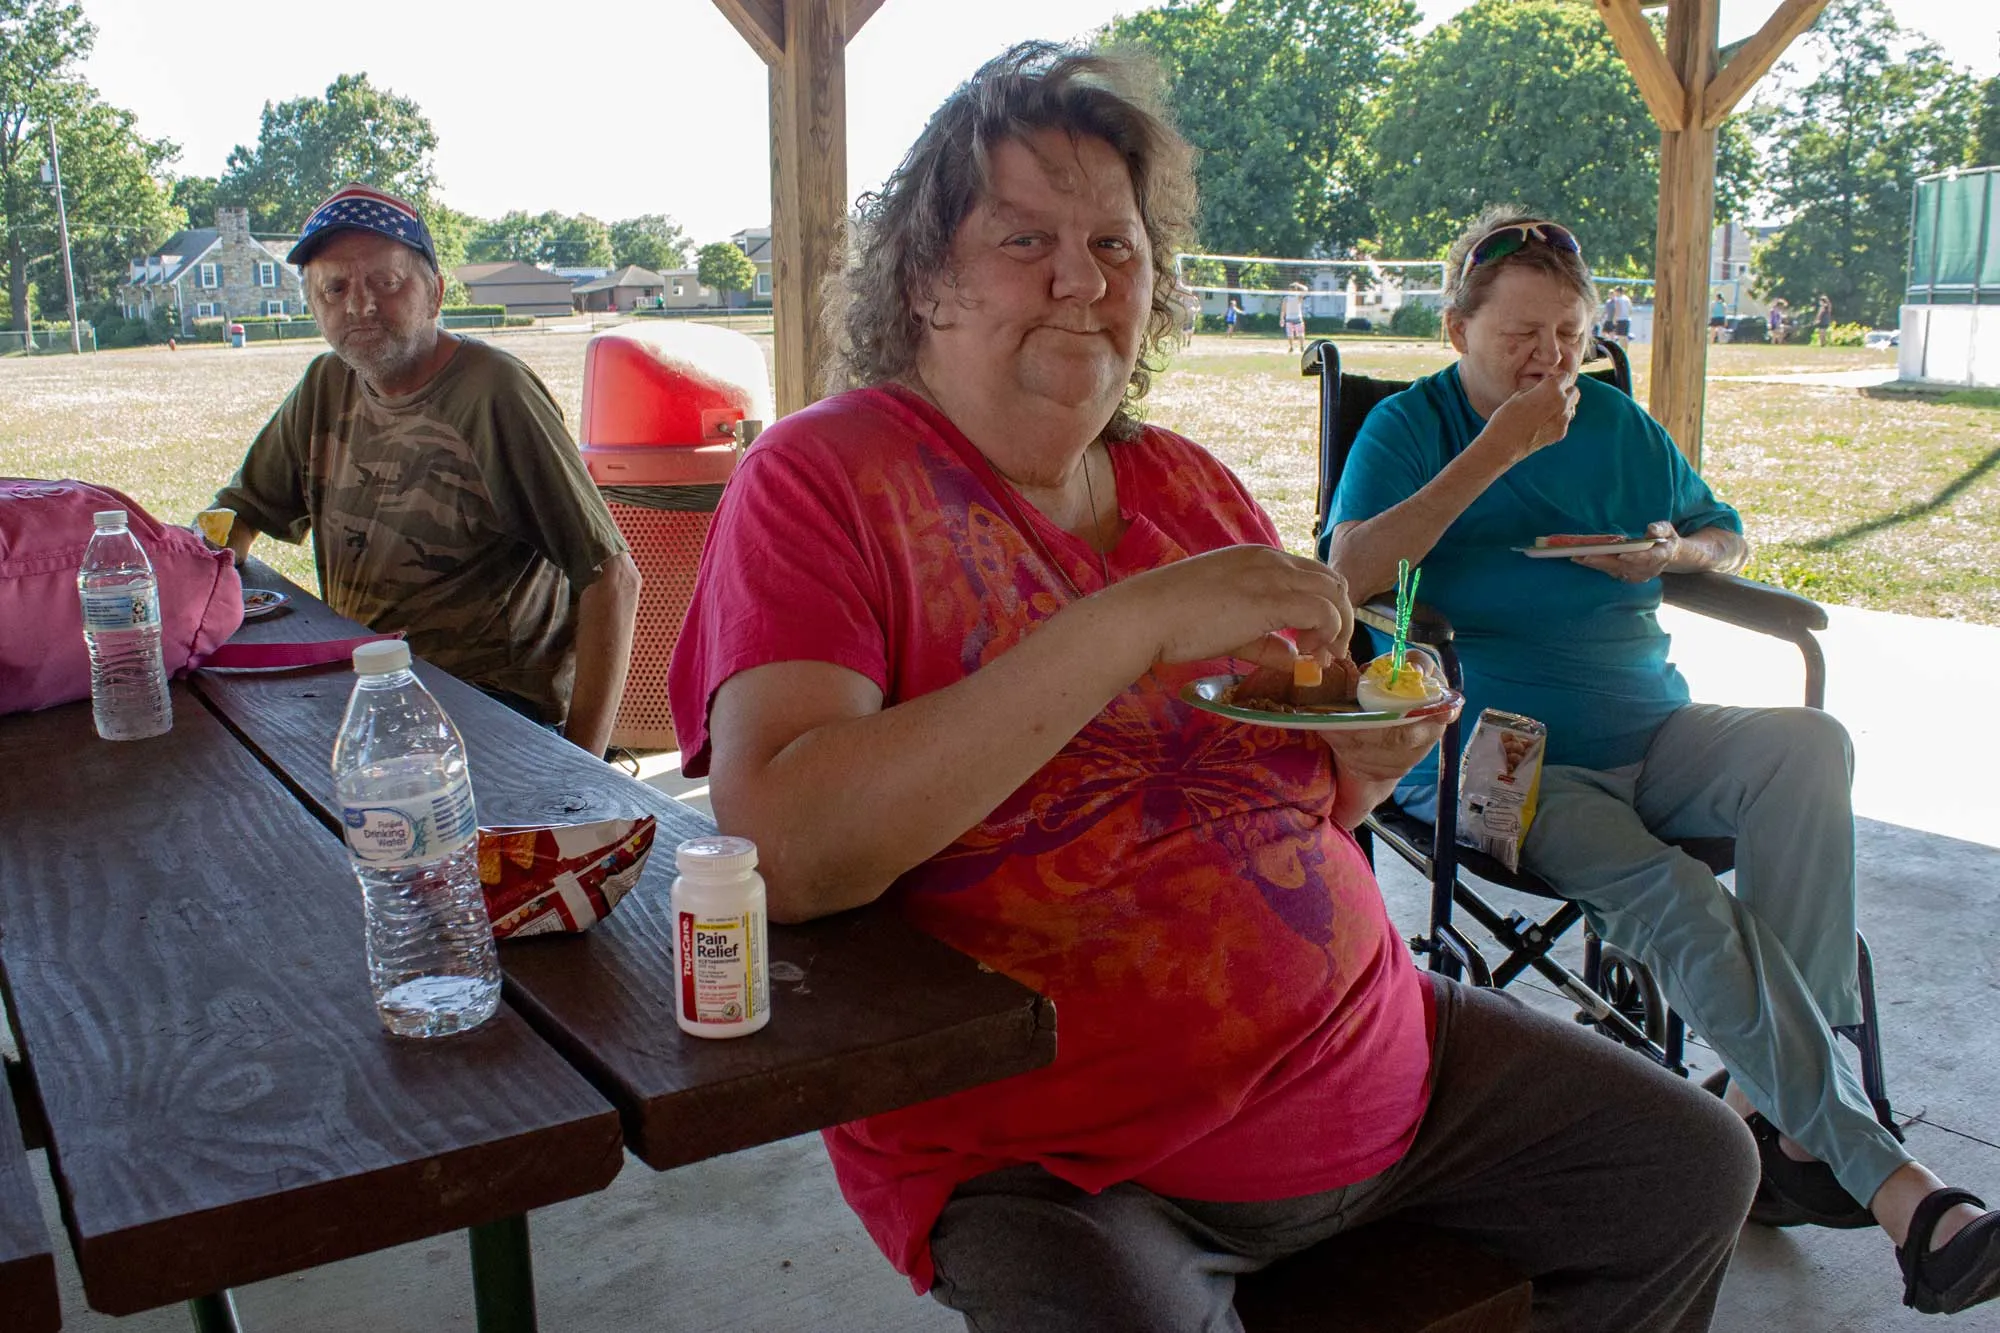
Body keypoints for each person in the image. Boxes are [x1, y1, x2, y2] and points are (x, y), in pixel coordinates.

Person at [669, 45, 1757, 1333]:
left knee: (1687, 1168)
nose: (1082, 281)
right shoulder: (823, 477)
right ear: (925, 279)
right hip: (1066, 1154)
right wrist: (1128, 623)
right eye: (1025, 240)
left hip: (1374, 1053)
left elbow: (1296, 777)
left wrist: (1358, 761)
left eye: (1116, 248)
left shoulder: (1188, 485)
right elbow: (788, 851)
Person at [1327, 203, 2000, 1318]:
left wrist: (1668, 553)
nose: (1547, 360)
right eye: (1517, 336)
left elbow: (1718, 527)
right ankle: (1898, 1191)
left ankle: (1774, 1108)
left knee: (1806, 744)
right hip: (1506, 759)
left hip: (1655, 729)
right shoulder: (1412, 426)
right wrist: (1495, 452)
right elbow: (1347, 573)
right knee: (1679, 901)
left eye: (1566, 335)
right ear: (1455, 328)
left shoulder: (1612, 423)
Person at [211, 183, 642, 757]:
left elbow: (612, 576)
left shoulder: (494, 393)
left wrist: (582, 769)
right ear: (314, 307)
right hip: (370, 694)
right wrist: (205, 564)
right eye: (334, 288)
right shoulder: (325, 385)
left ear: (435, 293)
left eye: (386, 283)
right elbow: (240, 511)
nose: (359, 305)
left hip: (491, 712)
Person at [1280, 281, 1307, 353]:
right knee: (1299, 333)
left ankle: (1292, 347)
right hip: (1296, 318)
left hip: (1291, 318)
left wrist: (1282, 318)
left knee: (1291, 334)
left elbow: (1283, 310)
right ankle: (1300, 347)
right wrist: (1299, 285)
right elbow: (1305, 289)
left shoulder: (1292, 297)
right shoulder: (1297, 297)